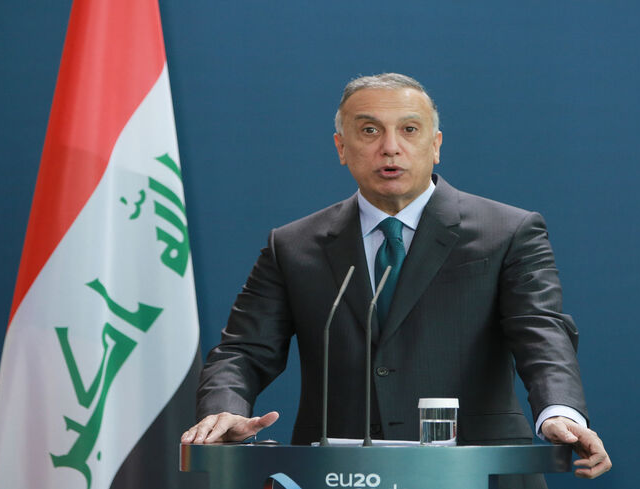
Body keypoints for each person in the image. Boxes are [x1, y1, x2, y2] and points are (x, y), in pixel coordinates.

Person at [181, 73, 611, 484]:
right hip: (337, 473)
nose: (390, 148)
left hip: (474, 470)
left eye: (409, 130)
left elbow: (541, 332)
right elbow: (243, 349)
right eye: (369, 131)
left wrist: (560, 412)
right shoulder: (293, 245)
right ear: (341, 147)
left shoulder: (508, 231)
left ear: (436, 144)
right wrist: (225, 408)